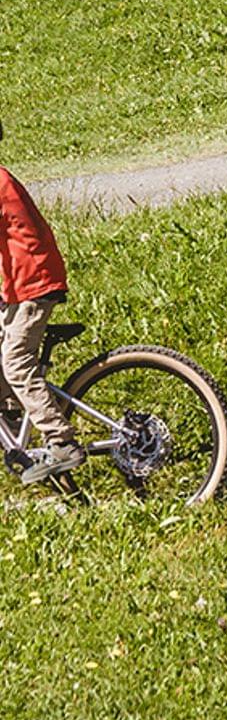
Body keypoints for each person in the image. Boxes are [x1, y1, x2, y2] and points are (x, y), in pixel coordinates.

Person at [0, 126, 85, 484]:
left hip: (32, 286)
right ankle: (18, 422)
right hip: (21, 285)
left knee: (16, 362)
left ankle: (60, 441)